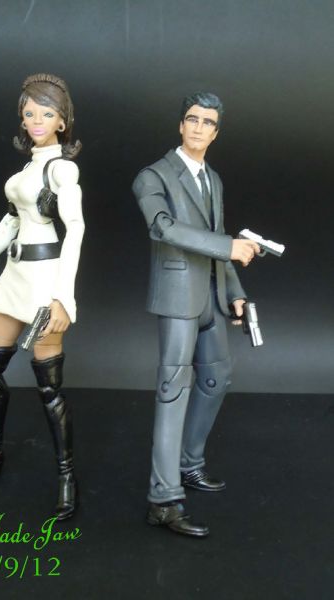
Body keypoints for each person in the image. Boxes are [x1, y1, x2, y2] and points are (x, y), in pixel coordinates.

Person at [132, 92, 260, 537]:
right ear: (180, 125)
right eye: (192, 119)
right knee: (173, 390)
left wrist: (236, 293)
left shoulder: (213, 180)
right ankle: (163, 499)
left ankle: (189, 463)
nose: (199, 127)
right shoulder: (153, 176)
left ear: (216, 132)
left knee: (216, 378)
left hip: (211, 297)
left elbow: (218, 236)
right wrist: (229, 247)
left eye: (208, 122)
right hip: (176, 297)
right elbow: (162, 226)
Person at [0, 73, 85, 521]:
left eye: (46, 114)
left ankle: (66, 475)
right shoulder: (24, 173)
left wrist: (63, 297)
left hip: (43, 280)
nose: (36, 120)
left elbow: (76, 230)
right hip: (13, 277)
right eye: (30, 113)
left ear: (61, 122)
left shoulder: (61, 169)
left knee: (49, 388)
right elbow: (11, 220)